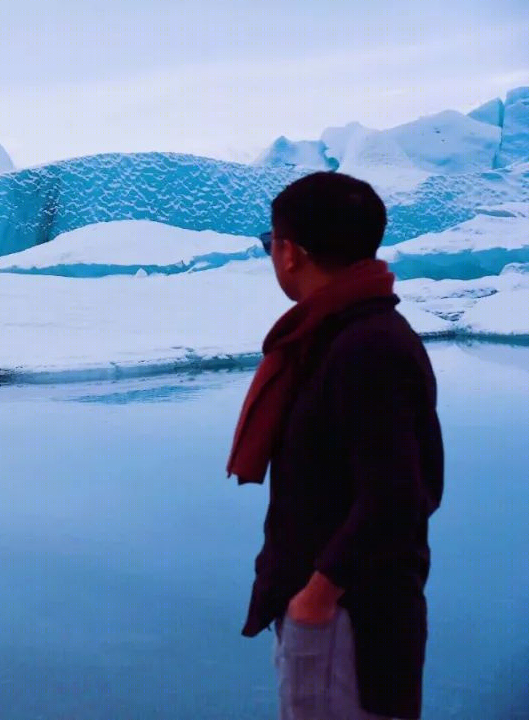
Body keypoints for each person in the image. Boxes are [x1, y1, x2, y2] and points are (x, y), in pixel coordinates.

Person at [227, 172, 444, 720]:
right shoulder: (345, 335)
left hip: (347, 623)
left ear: (292, 253)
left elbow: (399, 496)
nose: (272, 254)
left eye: (270, 242)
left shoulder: (364, 346)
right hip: (344, 616)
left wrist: (318, 594)